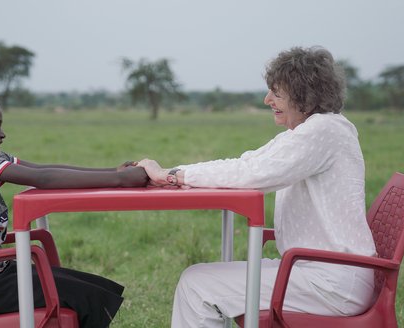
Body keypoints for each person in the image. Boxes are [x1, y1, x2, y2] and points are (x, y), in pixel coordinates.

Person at [137, 46, 377, 327]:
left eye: (276, 93)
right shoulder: (308, 131)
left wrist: (172, 175)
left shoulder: (323, 131)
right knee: (197, 279)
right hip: (320, 270)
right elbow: (247, 162)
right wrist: (173, 173)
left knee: (196, 285)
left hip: (330, 281)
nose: (267, 100)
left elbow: (252, 173)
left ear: (303, 94)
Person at [0, 90, 148, 328]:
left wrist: (114, 173)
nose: (2, 134)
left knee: (97, 287)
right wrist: (121, 181)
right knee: (86, 297)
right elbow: (43, 178)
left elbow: (42, 169)